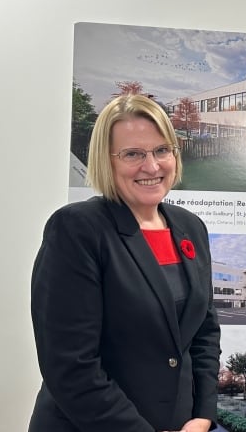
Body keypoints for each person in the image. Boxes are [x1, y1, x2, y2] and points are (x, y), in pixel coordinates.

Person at [29, 94, 221, 432]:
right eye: (133, 154)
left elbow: (204, 332)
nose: (152, 166)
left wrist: (202, 415)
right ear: (107, 160)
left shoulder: (191, 227)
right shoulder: (77, 230)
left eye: (162, 150)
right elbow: (71, 366)